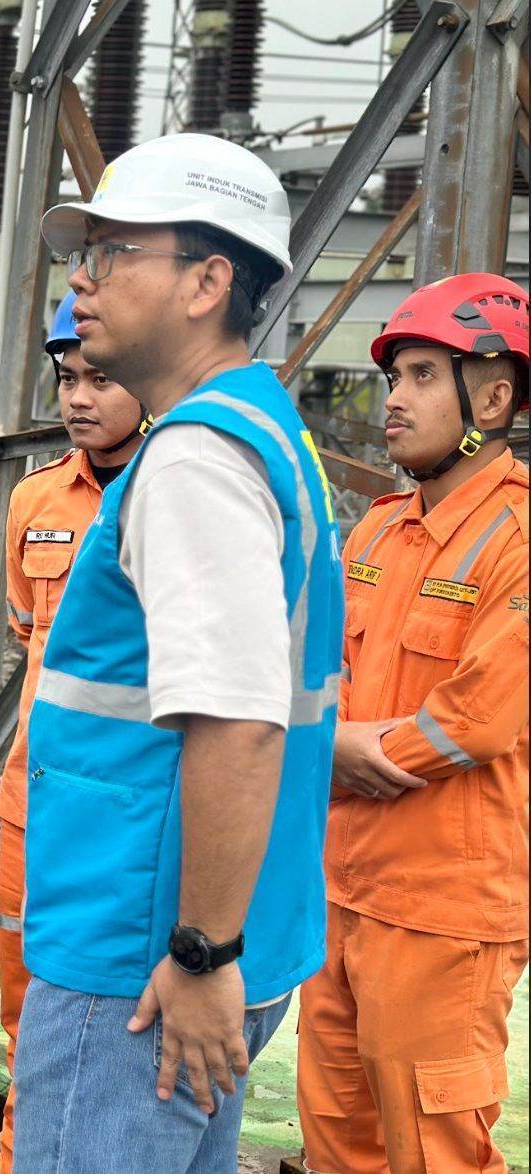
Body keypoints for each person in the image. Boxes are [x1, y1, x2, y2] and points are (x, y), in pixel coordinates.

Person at [10, 132, 343, 1170]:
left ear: (206, 281)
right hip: (212, 934)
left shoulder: (194, 457)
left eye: (113, 253)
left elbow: (239, 720)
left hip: (140, 954)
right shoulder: (261, 430)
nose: (81, 276)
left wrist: (201, 953)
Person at [296, 273, 529, 1174]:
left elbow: (476, 719)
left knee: (434, 1149)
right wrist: (326, 740)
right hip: (342, 891)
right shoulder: (376, 534)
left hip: (444, 912)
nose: (395, 398)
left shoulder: (516, 535)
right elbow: (323, 680)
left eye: (424, 375)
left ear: (495, 396)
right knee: (338, 1141)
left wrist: (341, 749)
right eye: (396, 377)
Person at [0, 291, 147, 1172]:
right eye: (67, 378)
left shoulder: (181, 491)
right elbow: (28, 629)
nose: (79, 397)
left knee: (112, 1024)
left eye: (100, 378)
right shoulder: (35, 498)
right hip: (33, 802)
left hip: (125, 815)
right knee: (29, 1016)